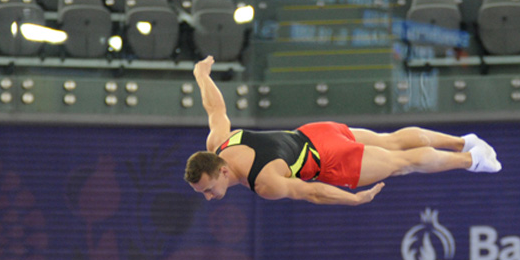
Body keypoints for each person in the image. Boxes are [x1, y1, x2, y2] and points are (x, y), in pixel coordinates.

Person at [185, 56, 500, 206]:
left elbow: (314, 192)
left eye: (209, 189)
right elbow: (216, 110)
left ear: (223, 172)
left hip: (332, 159)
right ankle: (464, 141)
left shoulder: (265, 182)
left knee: (403, 163)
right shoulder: (219, 144)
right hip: (315, 133)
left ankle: (471, 160)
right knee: (391, 141)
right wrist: (201, 74)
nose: (210, 198)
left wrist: (355, 199)